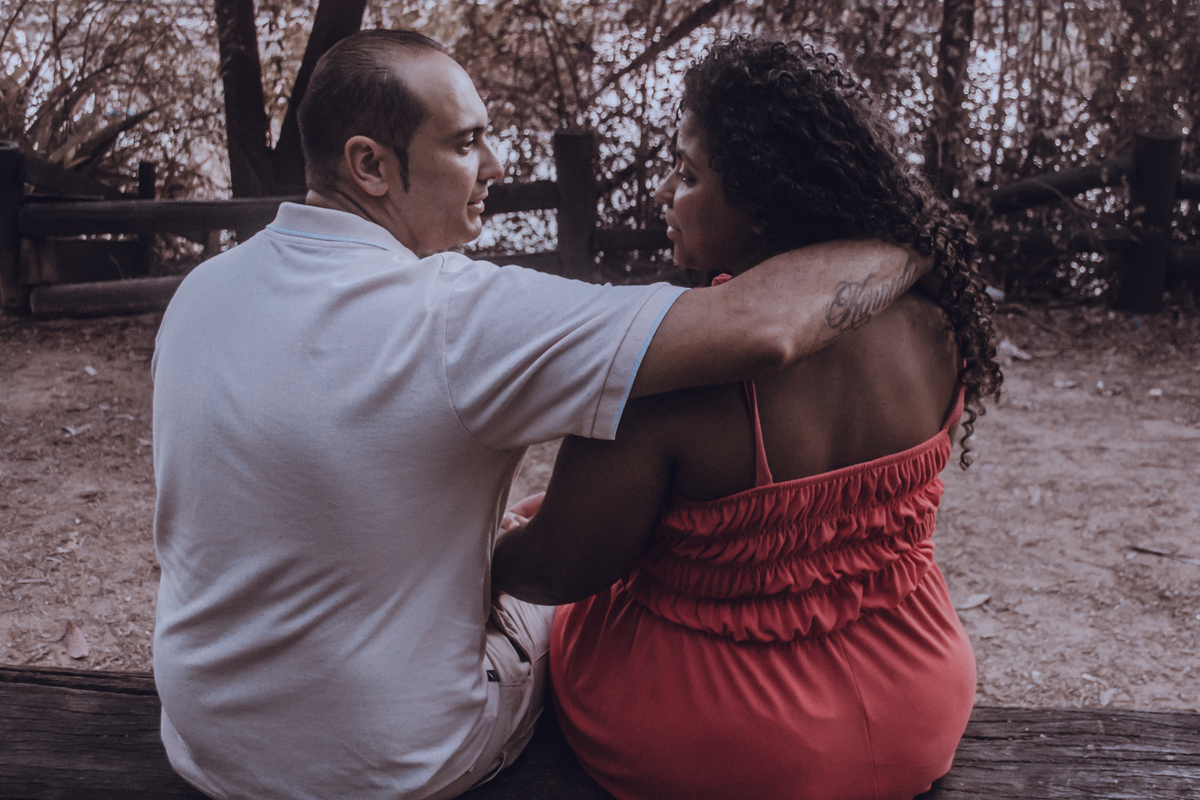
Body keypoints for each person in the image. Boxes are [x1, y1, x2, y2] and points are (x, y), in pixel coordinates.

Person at [151, 30, 926, 800]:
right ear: (370, 166)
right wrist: (917, 240)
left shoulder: (201, 292)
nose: (494, 166)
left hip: (205, 741)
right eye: (466, 143)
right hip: (395, 765)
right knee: (569, 604)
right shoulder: (458, 316)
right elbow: (764, 330)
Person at [493, 36, 1004, 800]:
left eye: (688, 174)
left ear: (763, 207)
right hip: (919, 704)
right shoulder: (935, 322)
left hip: (722, 740)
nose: (663, 193)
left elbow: (557, 571)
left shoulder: (673, 376)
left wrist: (486, 554)